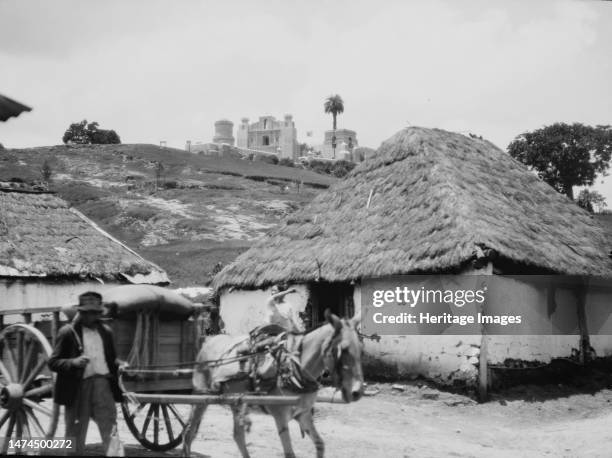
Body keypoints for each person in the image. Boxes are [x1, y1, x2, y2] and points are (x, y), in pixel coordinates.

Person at [48, 291, 124, 456]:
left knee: (110, 428)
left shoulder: (106, 332)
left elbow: (111, 360)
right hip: (77, 388)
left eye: (95, 313)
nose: (91, 316)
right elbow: (53, 362)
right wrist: (73, 362)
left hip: (103, 387)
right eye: (88, 312)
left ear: (99, 313)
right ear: (81, 312)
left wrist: (120, 365)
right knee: (75, 432)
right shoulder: (68, 333)